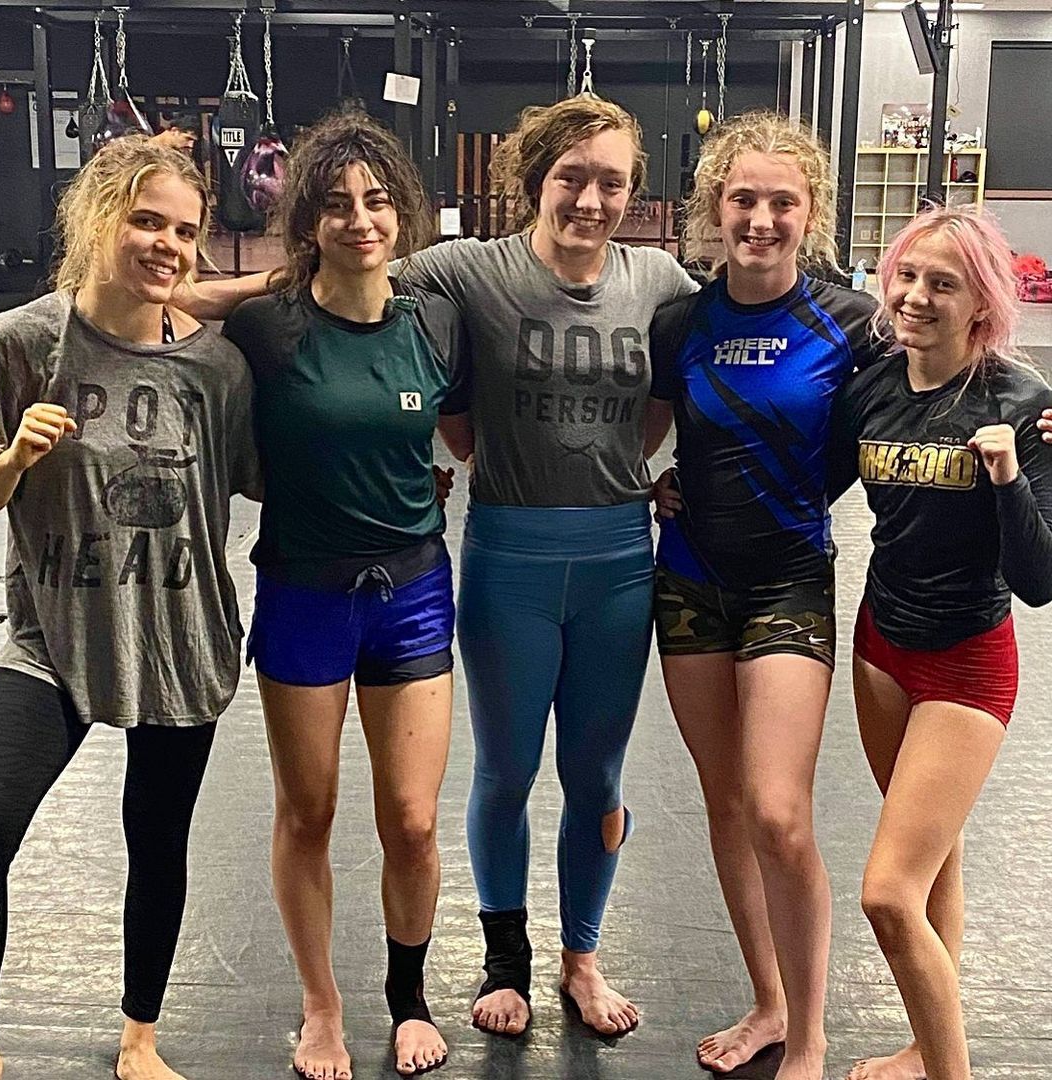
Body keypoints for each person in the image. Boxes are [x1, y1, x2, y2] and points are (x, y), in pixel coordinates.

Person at [390, 95, 697, 1038]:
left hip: (618, 559)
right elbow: (344, 278)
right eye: (571, 177)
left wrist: (664, 471)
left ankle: (582, 959)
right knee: (507, 770)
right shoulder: (470, 269)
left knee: (597, 777)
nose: (591, 200)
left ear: (634, 192)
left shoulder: (658, 280)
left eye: (612, 182)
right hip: (509, 558)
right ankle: (506, 962)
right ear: (534, 179)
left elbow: (693, 378)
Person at [0, 136, 260, 1080]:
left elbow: (273, 476)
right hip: (50, 638)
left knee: (159, 842)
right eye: (146, 221)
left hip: (179, 638)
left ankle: (140, 1036)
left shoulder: (217, 371)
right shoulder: (21, 343)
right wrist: (14, 461)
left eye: (184, 230)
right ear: (96, 217)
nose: (167, 245)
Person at [221, 111, 470, 1080]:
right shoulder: (269, 327)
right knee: (309, 813)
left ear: (402, 211)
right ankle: (321, 1007)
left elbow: (467, 432)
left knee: (411, 820)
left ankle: (409, 999)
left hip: (411, 589)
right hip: (304, 594)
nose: (360, 220)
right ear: (309, 223)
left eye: (375, 201)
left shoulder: (435, 321)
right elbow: (174, 302)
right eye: (335, 205)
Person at [647, 112, 880, 1080]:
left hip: (789, 580)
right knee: (728, 803)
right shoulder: (681, 323)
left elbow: (943, 378)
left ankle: (811, 1035)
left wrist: (1025, 416)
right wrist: (656, 485)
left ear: (810, 212)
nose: (761, 219)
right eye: (743, 199)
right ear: (715, 207)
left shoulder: (852, 324)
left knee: (779, 812)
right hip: (690, 579)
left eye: (783, 201)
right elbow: (639, 434)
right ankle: (769, 1004)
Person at [826, 206, 1052, 1080]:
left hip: (967, 661)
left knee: (888, 895)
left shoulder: (1022, 404)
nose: (916, 298)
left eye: (943, 284)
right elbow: (805, 484)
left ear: (982, 302)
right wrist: (687, 496)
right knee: (932, 863)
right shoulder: (872, 390)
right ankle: (925, 1048)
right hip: (882, 646)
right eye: (907, 277)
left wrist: (1006, 477)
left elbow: (1038, 579)